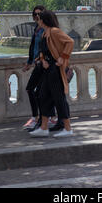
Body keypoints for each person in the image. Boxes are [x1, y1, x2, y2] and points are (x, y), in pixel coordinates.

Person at [30, 10, 74, 138]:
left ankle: (68, 128)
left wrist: (62, 57)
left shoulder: (54, 31)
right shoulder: (45, 33)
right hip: (48, 70)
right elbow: (43, 51)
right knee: (43, 96)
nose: (37, 20)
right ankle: (44, 128)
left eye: (39, 18)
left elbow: (70, 42)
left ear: (43, 20)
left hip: (55, 70)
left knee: (58, 98)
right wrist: (43, 60)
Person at [22, 5, 61, 131]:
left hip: (45, 65)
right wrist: (29, 62)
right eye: (35, 14)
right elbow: (33, 46)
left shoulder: (49, 30)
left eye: (39, 14)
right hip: (39, 63)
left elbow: (52, 47)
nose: (37, 16)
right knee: (38, 91)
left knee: (41, 92)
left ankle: (42, 120)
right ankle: (42, 119)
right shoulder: (37, 29)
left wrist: (47, 59)